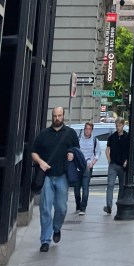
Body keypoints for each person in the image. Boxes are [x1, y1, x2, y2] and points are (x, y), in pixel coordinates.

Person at [31, 107, 79, 253]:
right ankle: (45, 240)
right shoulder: (44, 134)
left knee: (62, 208)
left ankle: (56, 228)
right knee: (45, 208)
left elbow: (77, 151)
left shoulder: (70, 133)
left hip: (63, 176)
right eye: (54, 116)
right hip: (47, 176)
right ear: (51, 116)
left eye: (59, 115)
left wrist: (72, 155)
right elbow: (33, 152)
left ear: (63, 116)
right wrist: (40, 162)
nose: (57, 118)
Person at [104, 117, 131, 215]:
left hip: (122, 165)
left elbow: (129, 151)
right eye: (116, 126)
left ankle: (119, 204)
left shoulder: (127, 137)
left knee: (122, 186)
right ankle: (109, 206)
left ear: (123, 125)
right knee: (110, 185)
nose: (118, 127)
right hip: (113, 164)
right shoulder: (112, 137)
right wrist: (109, 160)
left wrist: (126, 161)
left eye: (119, 125)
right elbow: (107, 149)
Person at [74, 121, 100, 215]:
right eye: (86, 129)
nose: (87, 131)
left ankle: (83, 207)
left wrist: (93, 163)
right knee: (77, 189)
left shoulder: (94, 140)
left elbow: (98, 153)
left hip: (88, 166)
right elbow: (74, 150)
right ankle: (78, 204)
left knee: (85, 187)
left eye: (89, 129)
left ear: (91, 130)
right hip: (78, 166)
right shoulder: (79, 139)